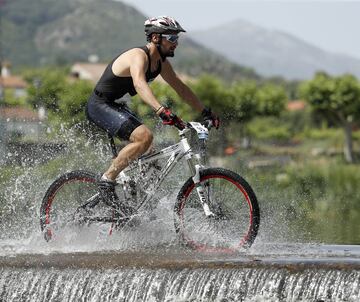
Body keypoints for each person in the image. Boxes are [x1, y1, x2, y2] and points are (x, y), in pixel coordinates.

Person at [85, 16, 220, 212]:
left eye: (177, 39)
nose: (176, 44)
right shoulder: (138, 56)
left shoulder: (161, 63)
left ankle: (135, 200)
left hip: (115, 105)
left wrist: (205, 112)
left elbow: (180, 88)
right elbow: (139, 83)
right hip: (99, 105)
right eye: (171, 39)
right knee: (144, 137)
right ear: (156, 38)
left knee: (150, 154)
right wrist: (160, 109)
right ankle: (107, 179)